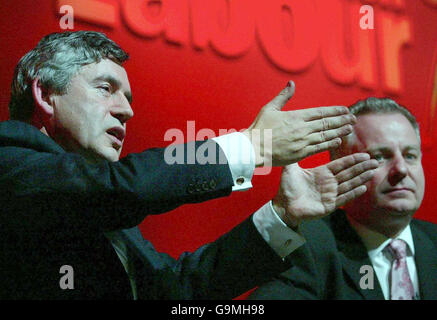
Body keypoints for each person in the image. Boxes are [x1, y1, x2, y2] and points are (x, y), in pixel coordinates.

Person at [0, 31, 376, 299]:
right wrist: (250, 146)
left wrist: (280, 216)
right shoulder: (9, 159)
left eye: (128, 98)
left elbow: (180, 289)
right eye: (105, 89)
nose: (127, 110)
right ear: (45, 94)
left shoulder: (102, 208)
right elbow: (121, 186)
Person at [249, 97, 437, 300]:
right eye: (380, 157)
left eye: (410, 156)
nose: (401, 169)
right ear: (341, 165)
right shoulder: (307, 247)